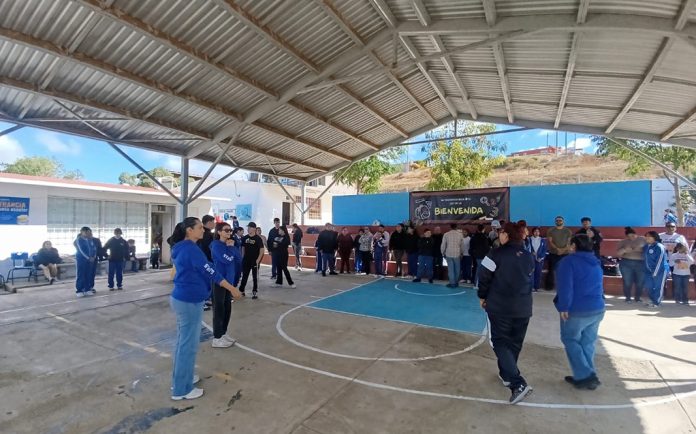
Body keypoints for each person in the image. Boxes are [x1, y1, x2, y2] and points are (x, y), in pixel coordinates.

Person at [168, 217, 242, 400]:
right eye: (200, 227)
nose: (203, 230)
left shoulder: (182, 247)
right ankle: (182, 389)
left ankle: (183, 376)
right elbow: (210, 271)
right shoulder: (191, 249)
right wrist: (232, 288)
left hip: (185, 298)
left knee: (184, 343)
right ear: (189, 230)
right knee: (188, 345)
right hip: (189, 300)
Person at [477, 222, 535, 405]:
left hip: (500, 307)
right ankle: (507, 375)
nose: (499, 235)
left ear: (507, 235)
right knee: (515, 343)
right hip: (523, 308)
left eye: (502, 232)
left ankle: (518, 383)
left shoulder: (494, 254)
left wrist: (482, 296)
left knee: (500, 342)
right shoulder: (528, 256)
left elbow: (483, 276)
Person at [555, 234, 606, 391]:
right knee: (587, 342)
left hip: (577, 310)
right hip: (597, 308)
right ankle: (586, 374)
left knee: (570, 339)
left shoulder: (568, 262)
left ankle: (585, 375)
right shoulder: (595, 261)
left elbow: (565, 287)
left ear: (574, 246)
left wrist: (563, 307)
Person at [210, 222, 240, 348]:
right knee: (219, 309)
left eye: (230, 230)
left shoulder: (229, 244)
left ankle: (223, 333)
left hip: (229, 282)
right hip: (219, 282)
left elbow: (238, 257)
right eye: (226, 230)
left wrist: (232, 248)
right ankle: (217, 337)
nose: (229, 232)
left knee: (227, 308)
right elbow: (226, 259)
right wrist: (231, 248)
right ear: (219, 232)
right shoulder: (216, 245)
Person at [616, 227, 646, 303]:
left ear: (636, 234)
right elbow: (618, 253)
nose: (631, 238)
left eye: (632, 236)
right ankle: (628, 298)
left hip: (641, 263)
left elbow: (649, 249)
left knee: (640, 282)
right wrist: (624, 250)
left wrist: (640, 249)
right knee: (627, 281)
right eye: (629, 236)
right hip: (626, 263)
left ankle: (638, 298)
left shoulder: (643, 239)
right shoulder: (623, 242)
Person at [545, 216, 573, 291]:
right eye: (557, 220)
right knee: (551, 270)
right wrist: (557, 249)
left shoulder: (568, 231)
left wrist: (563, 250)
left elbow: (569, 242)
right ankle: (549, 287)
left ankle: (565, 286)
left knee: (566, 271)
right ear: (555, 221)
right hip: (553, 253)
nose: (558, 221)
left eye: (560, 220)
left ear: (563, 221)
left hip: (565, 254)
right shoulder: (550, 230)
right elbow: (550, 242)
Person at [643, 231, 669, 308]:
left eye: (649, 236)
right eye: (646, 236)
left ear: (654, 237)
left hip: (660, 270)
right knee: (648, 286)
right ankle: (652, 300)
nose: (647, 238)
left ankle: (656, 303)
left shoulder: (659, 246)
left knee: (658, 287)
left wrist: (655, 272)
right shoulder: (646, 246)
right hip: (648, 270)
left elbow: (660, 261)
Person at [239, 222, 265, 299]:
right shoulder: (245, 238)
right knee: (245, 276)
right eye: (248, 227)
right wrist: (242, 257)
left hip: (254, 260)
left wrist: (258, 260)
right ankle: (241, 290)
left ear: (254, 229)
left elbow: (262, 250)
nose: (248, 229)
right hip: (246, 260)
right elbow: (243, 248)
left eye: (250, 227)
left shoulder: (258, 239)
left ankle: (254, 291)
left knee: (255, 277)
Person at [74, 227, 97, 297]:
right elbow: (81, 250)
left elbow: (94, 248)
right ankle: (79, 290)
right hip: (81, 260)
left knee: (88, 274)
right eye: (86, 232)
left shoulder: (90, 240)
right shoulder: (79, 240)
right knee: (81, 274)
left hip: (90, 260)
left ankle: (87, 289)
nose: (88, 234)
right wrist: (88, 257)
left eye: (89, 232)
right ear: (82, 232)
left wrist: (94, 257)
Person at [441, 223, 464, 288]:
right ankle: (456, 282)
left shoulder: (446, 234)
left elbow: (443, 244)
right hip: (457, 254)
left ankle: (452, 283)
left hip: (449, 253)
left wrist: (442, 252)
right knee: (457, 269)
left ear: (450, 227)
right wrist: (462, 253)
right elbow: (462, 245)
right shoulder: (460, 235)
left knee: (451, 269)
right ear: (456, 227)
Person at [526, 227, 547, 292]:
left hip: (539, 259)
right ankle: (531, 287)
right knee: (531, 272)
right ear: (532, 232)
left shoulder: (542, 240)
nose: (536, 233)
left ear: (539, 233)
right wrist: (531, 253)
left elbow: (544, 250)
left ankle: (537, 287)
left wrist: (541, 257)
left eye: (538, 231)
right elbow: (527, 248)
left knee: (538, 272)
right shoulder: (529, 239)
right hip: (531, 259)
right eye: (535, 231)